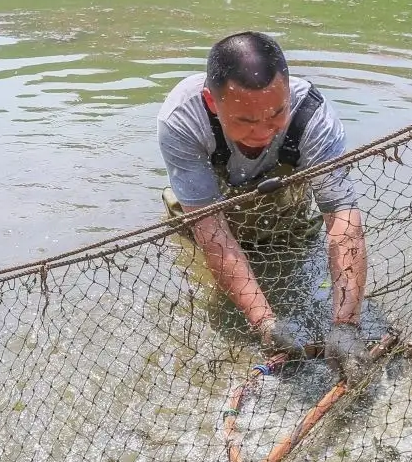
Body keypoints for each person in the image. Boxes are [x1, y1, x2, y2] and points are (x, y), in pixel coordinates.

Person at [158, 31, 370, 378]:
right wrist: (266, 323)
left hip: (283, 209)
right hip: (209, 208)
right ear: (213, 103)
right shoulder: (182, 119)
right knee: (199, 259)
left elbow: (342, 219)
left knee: (298, 259)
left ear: (287, 91)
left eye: (276, 114)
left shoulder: (311, 114)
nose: (263, 132)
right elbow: (214, 235)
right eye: (245, 120)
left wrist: (346, 325)